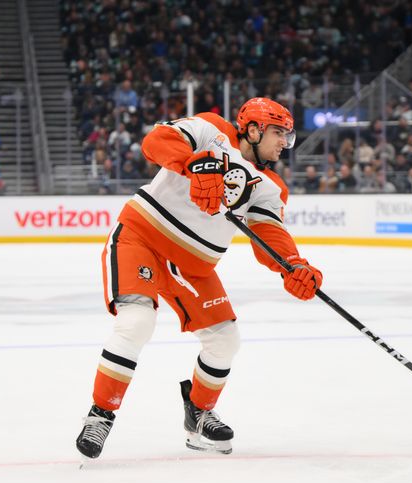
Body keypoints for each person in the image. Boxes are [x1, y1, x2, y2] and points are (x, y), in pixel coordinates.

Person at [75, 97, 323, 459]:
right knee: (137, 321)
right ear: (252, 129)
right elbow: (155, 142)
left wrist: (293, 265)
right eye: (278, 133)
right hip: (141, 239)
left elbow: (269, 232)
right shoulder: (210, 130)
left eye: (288, 135)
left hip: (192, 266)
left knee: (225, 340)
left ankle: (199, 413)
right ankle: (100, 413)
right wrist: (195, 165)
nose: (285, 142)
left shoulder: (271, 187)